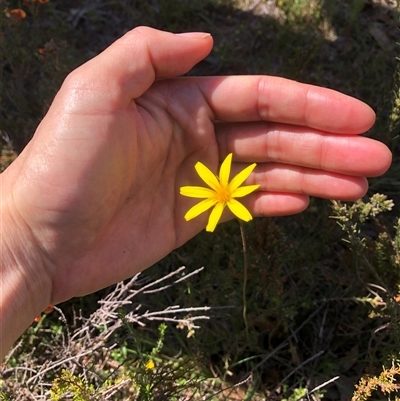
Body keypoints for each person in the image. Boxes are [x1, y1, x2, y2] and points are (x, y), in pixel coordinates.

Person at [0, 27, 392, 359]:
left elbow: (229, 185)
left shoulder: (226, 188)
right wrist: (25, 244)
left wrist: (26, 248)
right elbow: (215, 188)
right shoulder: (212, 191)